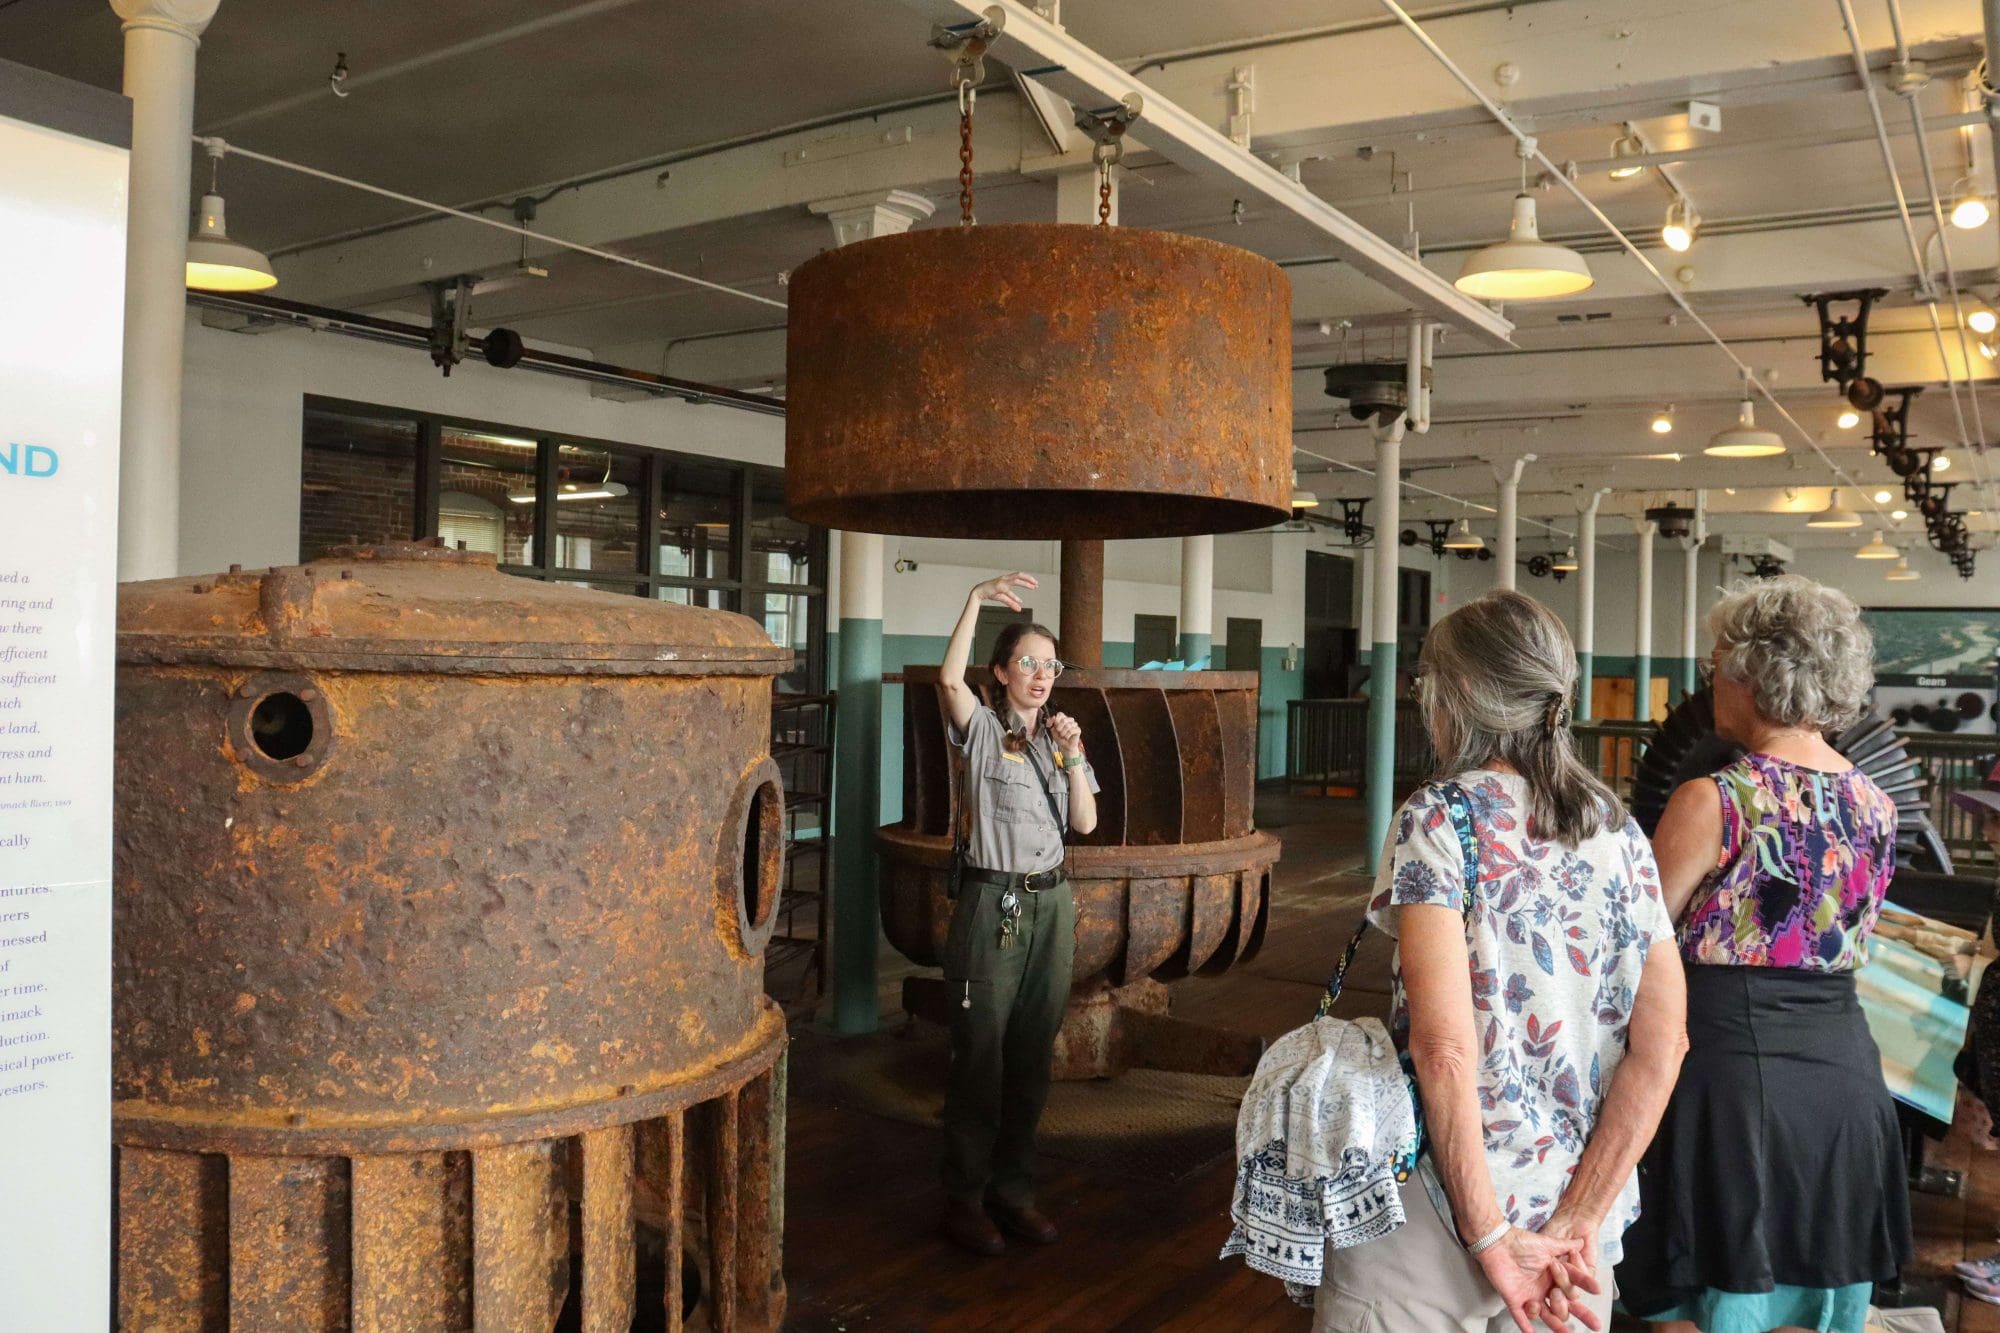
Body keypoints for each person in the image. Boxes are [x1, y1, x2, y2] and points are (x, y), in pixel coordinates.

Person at [1317, 590, 1689, 1333]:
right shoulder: (1618, 831)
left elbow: (1445, 1048)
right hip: (1573, 1242)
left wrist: (1489, 1235)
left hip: (1432, 1211)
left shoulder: (1439, 817)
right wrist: (1580, 1216)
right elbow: (1664, 1044)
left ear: (1457, 692)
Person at [1615, 575, 1913, 1333]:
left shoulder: (1714, 800)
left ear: (1753, 672)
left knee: (1704, 1296)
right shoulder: (1875, 805)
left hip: (1729, 1085)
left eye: (1717, 661)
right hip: (1845, 1084)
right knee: (1811, 1298)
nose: (1710, 678)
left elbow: (1633, 943)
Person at [934, 571, 1099, 1256]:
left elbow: (1085, 823)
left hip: (1050, 904)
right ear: (1001, 673)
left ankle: (1014, 1191)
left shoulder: (1059, 739)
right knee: (980, 1052)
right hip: (992, 902)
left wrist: (1074, 756)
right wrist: (974, 599)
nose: (1040, 675)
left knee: (1033, 1054)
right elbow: (948, 680)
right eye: (1027, 663)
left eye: (1050, 665)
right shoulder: (980, 729)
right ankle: (964, 1198)